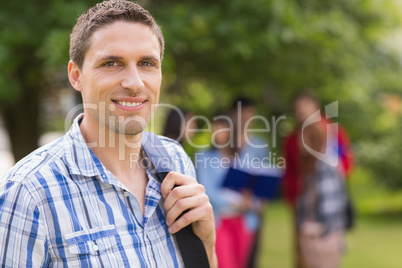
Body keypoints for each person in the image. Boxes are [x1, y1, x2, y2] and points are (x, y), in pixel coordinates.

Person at [0, 1, 217, 267]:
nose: (135, 83)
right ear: (76, 75)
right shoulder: (30, 191)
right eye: (112, 63)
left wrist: (206, 241)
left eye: (147, 63)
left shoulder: (175, 160)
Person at [283, 92, 353, 268]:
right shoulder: (293, 137)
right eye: (298, 109)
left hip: (321, 219)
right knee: (303, 257)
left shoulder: (331, 131)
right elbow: (290, 172)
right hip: (303, 203)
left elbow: (345, 162)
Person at [196, 116, 256, 268]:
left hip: (243, 222)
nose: (218, 132)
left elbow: (252, 188)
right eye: (215, 127)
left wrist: (251, 201)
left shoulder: (243, 157)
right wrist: (237, 203)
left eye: (222, 127)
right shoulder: (204, 157)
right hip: (219, 221)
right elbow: (207, 192)